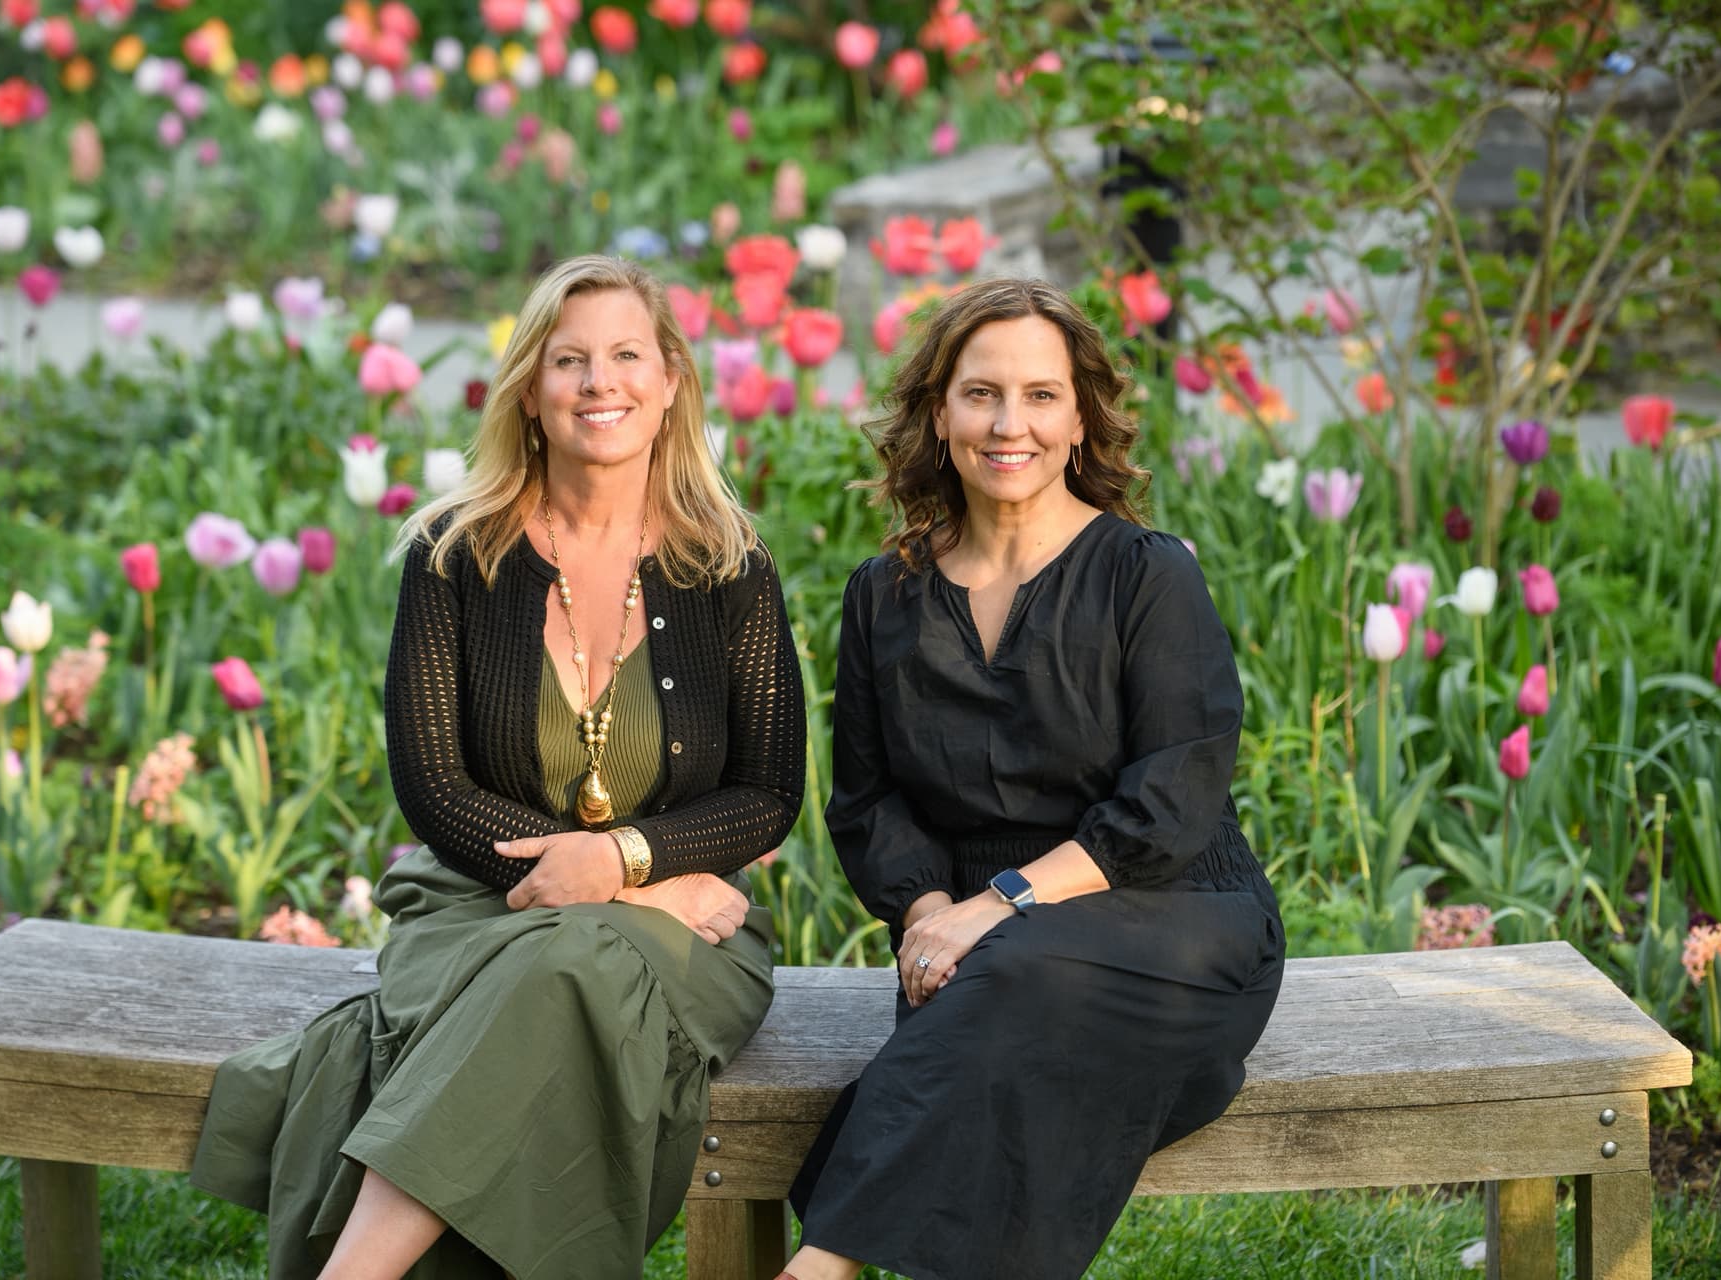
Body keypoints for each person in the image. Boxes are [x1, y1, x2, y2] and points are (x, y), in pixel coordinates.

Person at [190, 254, 806, 1279]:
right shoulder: (455, 554)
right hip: (484, 901)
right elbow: (433, 785)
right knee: (558, 970)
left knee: (568, 964)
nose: (599, 382)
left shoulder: (728, 563)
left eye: (624, 356)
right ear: (529, 388)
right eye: (570, 359)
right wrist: (643, 886)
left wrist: (624, 863)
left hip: (695, 938)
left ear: (669, 385)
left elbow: (771, 790)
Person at [780, 278, 1284, 1280]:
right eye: (982, 393)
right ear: (940, 412)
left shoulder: (1147, 573)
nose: (1011, 423)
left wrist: (999, 903)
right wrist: (932, 910)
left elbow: (1173, 798)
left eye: (1043, 395)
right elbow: (869, 801)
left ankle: (817, 1265)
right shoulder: (885, 593)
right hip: (974, 949)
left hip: (1174, 913)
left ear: (1082, 416)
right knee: (1000, 992)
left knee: (1013, 971)